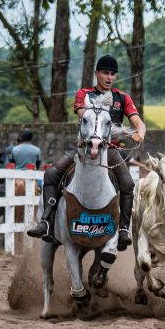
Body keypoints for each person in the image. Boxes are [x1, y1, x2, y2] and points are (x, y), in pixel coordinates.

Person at [26, 54, 146, 251]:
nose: (109, 77)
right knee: (52, 174)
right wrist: (122, 131)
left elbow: (138, 122)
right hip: (83, 147)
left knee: (127, 183)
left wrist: (140, 133)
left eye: (113, 74)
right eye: (105, 73)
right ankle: (46, 221)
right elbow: (87, 119)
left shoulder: (122, 98)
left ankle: (123, 230)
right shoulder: (83, 94)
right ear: (97, 73)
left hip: (110, 150)